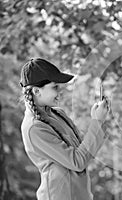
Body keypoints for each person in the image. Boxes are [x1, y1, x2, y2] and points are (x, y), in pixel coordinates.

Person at [20, 58, 109, 200]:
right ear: (37, 91)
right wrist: (97, 122)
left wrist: (98, 119)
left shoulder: (58, 113)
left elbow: (84, 151)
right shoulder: (34, 128)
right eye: (55, 87)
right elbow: (77, 162)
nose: (59, 91)